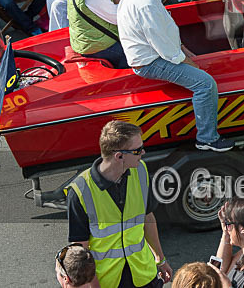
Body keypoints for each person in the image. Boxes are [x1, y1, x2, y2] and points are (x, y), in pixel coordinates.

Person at [118, 0, 234, 152]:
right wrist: (190, 63)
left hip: (152, 55)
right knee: (206, 84)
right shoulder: (145, 3)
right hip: (151, 62)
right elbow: (166, 50)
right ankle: (207, 139)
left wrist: (185, 51)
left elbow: (164, 36)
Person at [66, 120, 173, 288]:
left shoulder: (141, 171)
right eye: (137, 150)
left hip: (143, 274)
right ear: (119, 156)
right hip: (107, 281)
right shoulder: (81, 191)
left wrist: (160, 259)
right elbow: (81, 251)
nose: (143, 152)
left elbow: (147, 218)